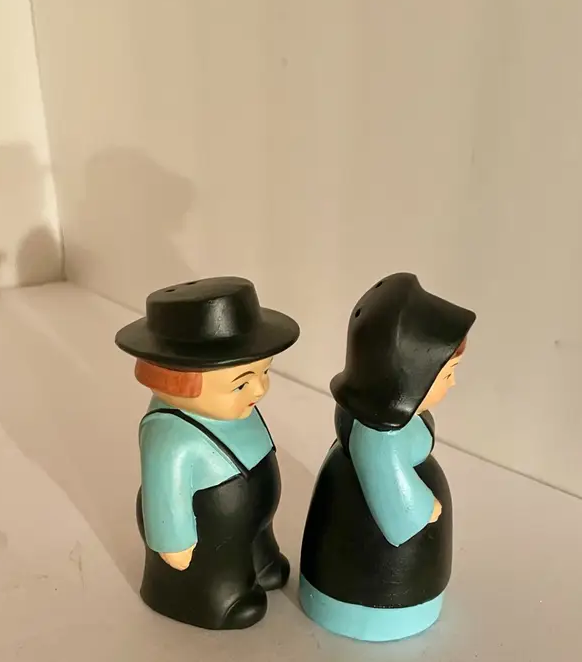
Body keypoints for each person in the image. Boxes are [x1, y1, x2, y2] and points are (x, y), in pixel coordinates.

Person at [299, 272, 476, 642]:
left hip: (361, 550)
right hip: (377, 576)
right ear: (411, 377)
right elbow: (397, 512)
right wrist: (427, 509)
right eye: (447, 375)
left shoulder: (370, 414)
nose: (454, 383)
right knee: (385, 578)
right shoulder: (380, 438)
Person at [115, 276, 300, 630]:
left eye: (264, 372)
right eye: (241, 383)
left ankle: (260, 562)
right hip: (207, 541)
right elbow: (164, 494)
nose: (259, 389)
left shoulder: (237, 409)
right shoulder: (168, 434)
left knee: (253, 542)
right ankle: (219, 597)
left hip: (250, 519)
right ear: (179, 383)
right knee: (217, 564)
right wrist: (174, 541)